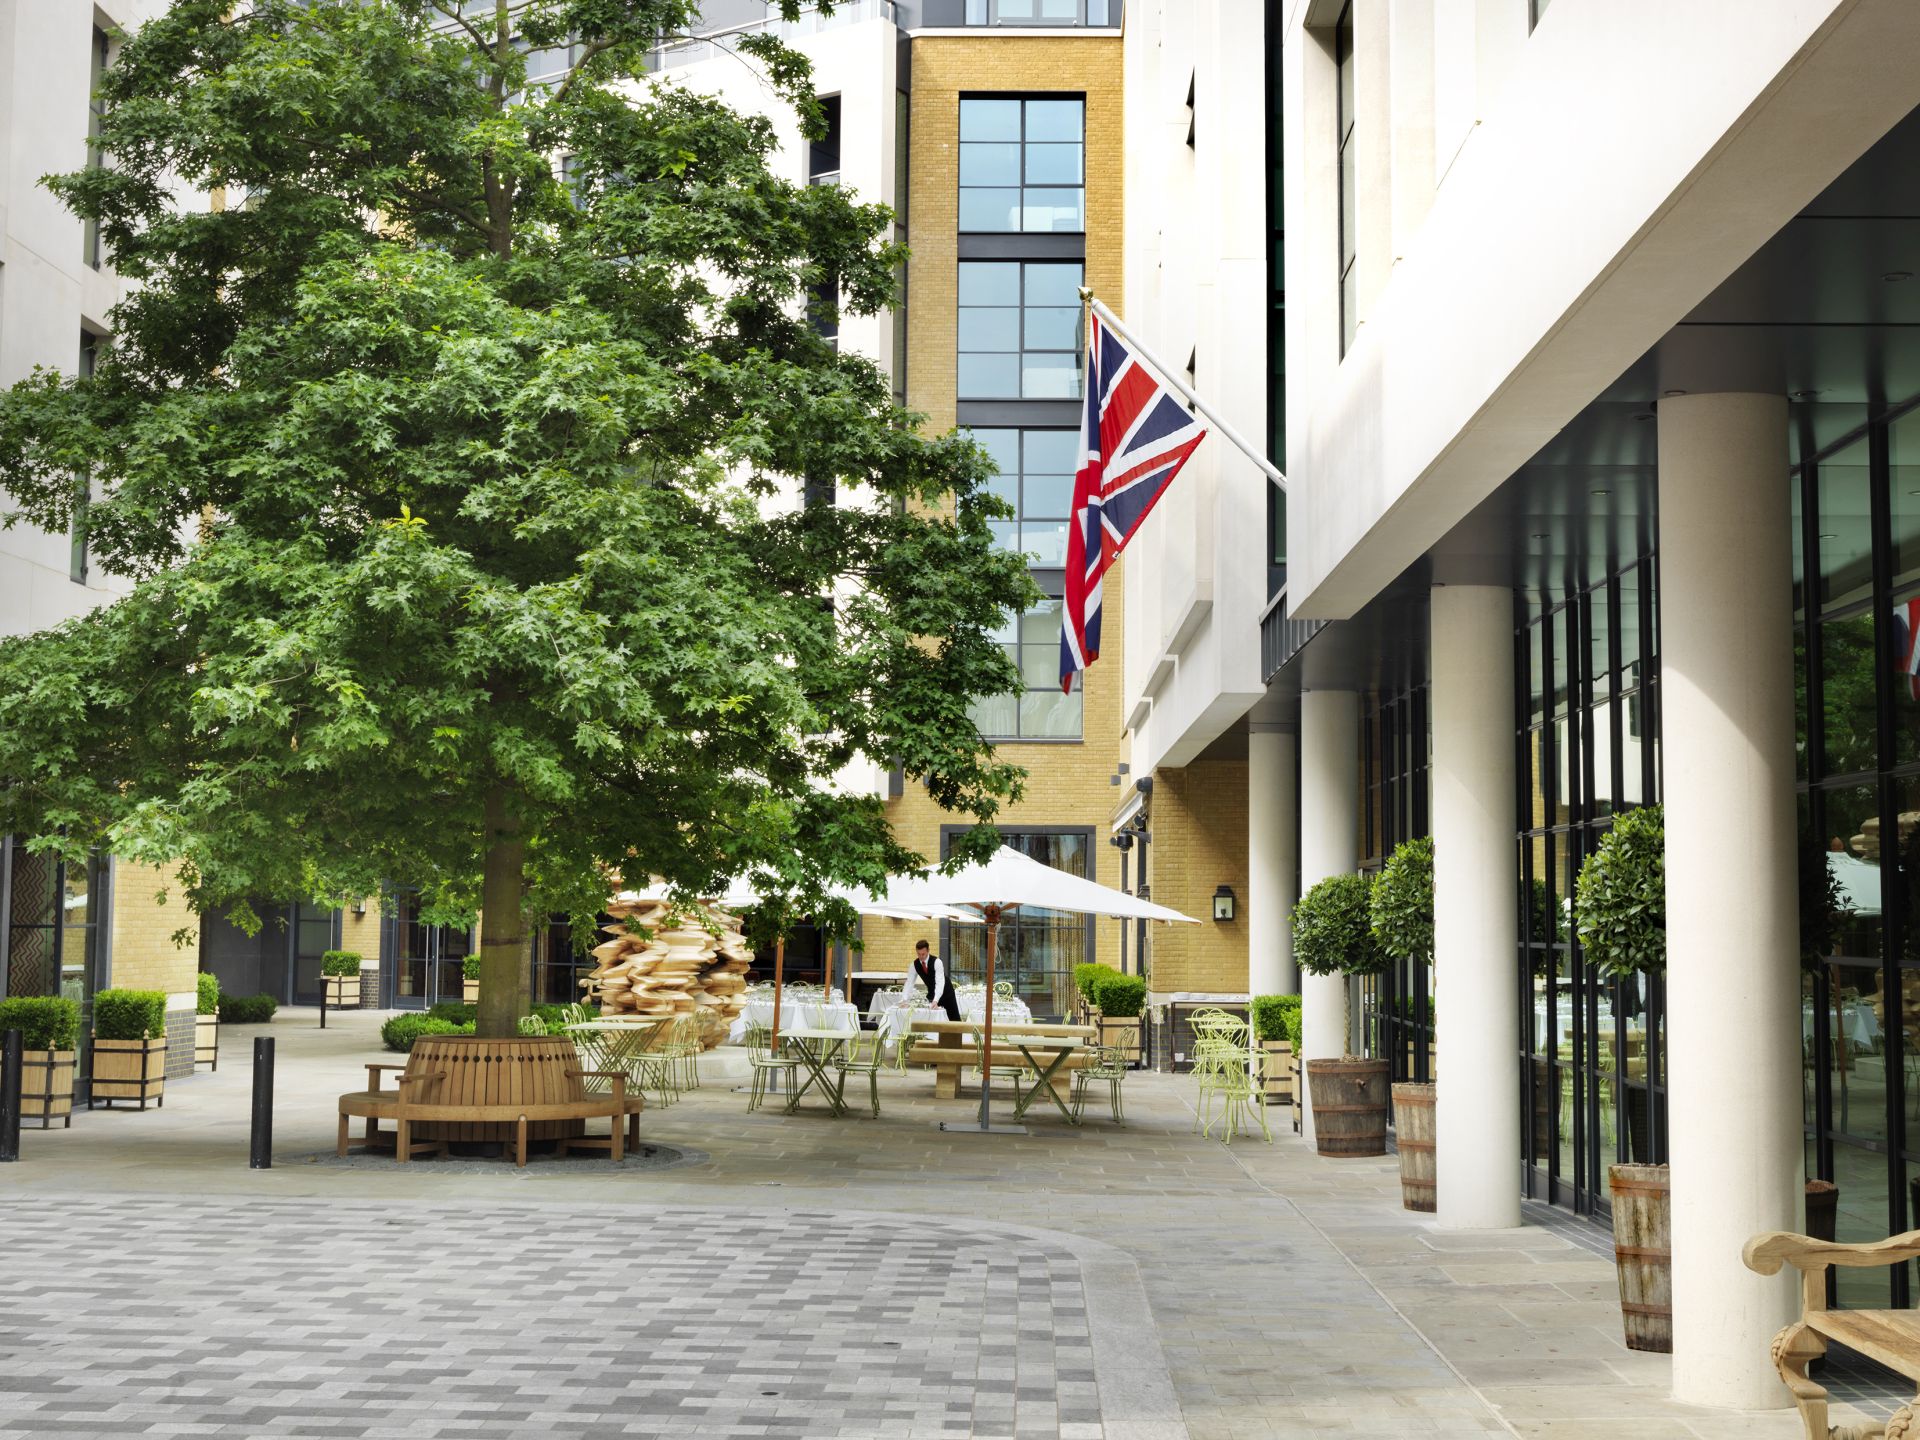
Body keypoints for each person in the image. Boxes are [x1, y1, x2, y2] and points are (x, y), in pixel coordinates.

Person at [912, 939, 961, 1021]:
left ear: (928, 951)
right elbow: (909, 982)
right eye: (918, 954)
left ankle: (957, 1033)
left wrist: (935, 1000)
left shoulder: (937, 962)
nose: (921, 957)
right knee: (932, 1018)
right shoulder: (915, 964)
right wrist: (904, 999)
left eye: (923, 954)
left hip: (946, 992)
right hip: (932, 992)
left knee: (953, 1018)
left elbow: (940, 983)